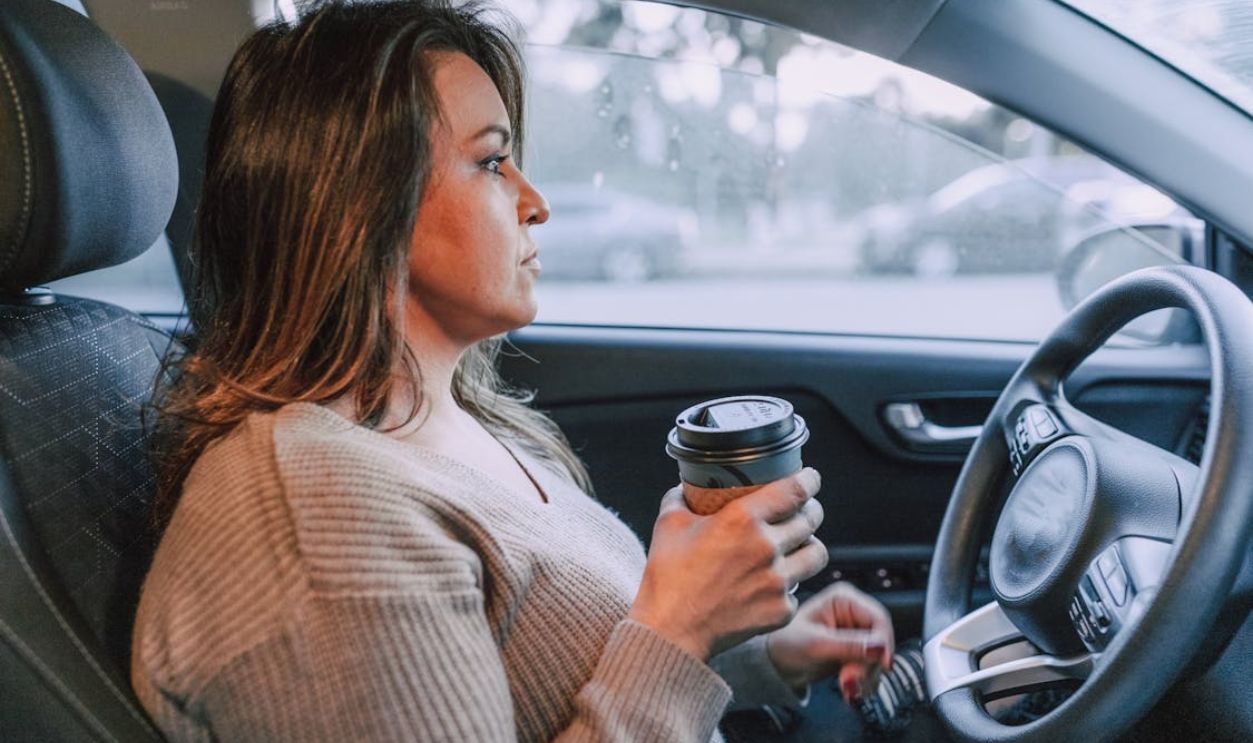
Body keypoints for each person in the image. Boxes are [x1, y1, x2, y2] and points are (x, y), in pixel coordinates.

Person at [131, 1, 894, 740]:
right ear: (359, 204)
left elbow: (555, 675)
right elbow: (645, 655)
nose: (535, 203)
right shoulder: (316, 524)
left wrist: (763, 655)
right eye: (491, 161)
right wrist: (682, 629)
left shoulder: (443, 418)